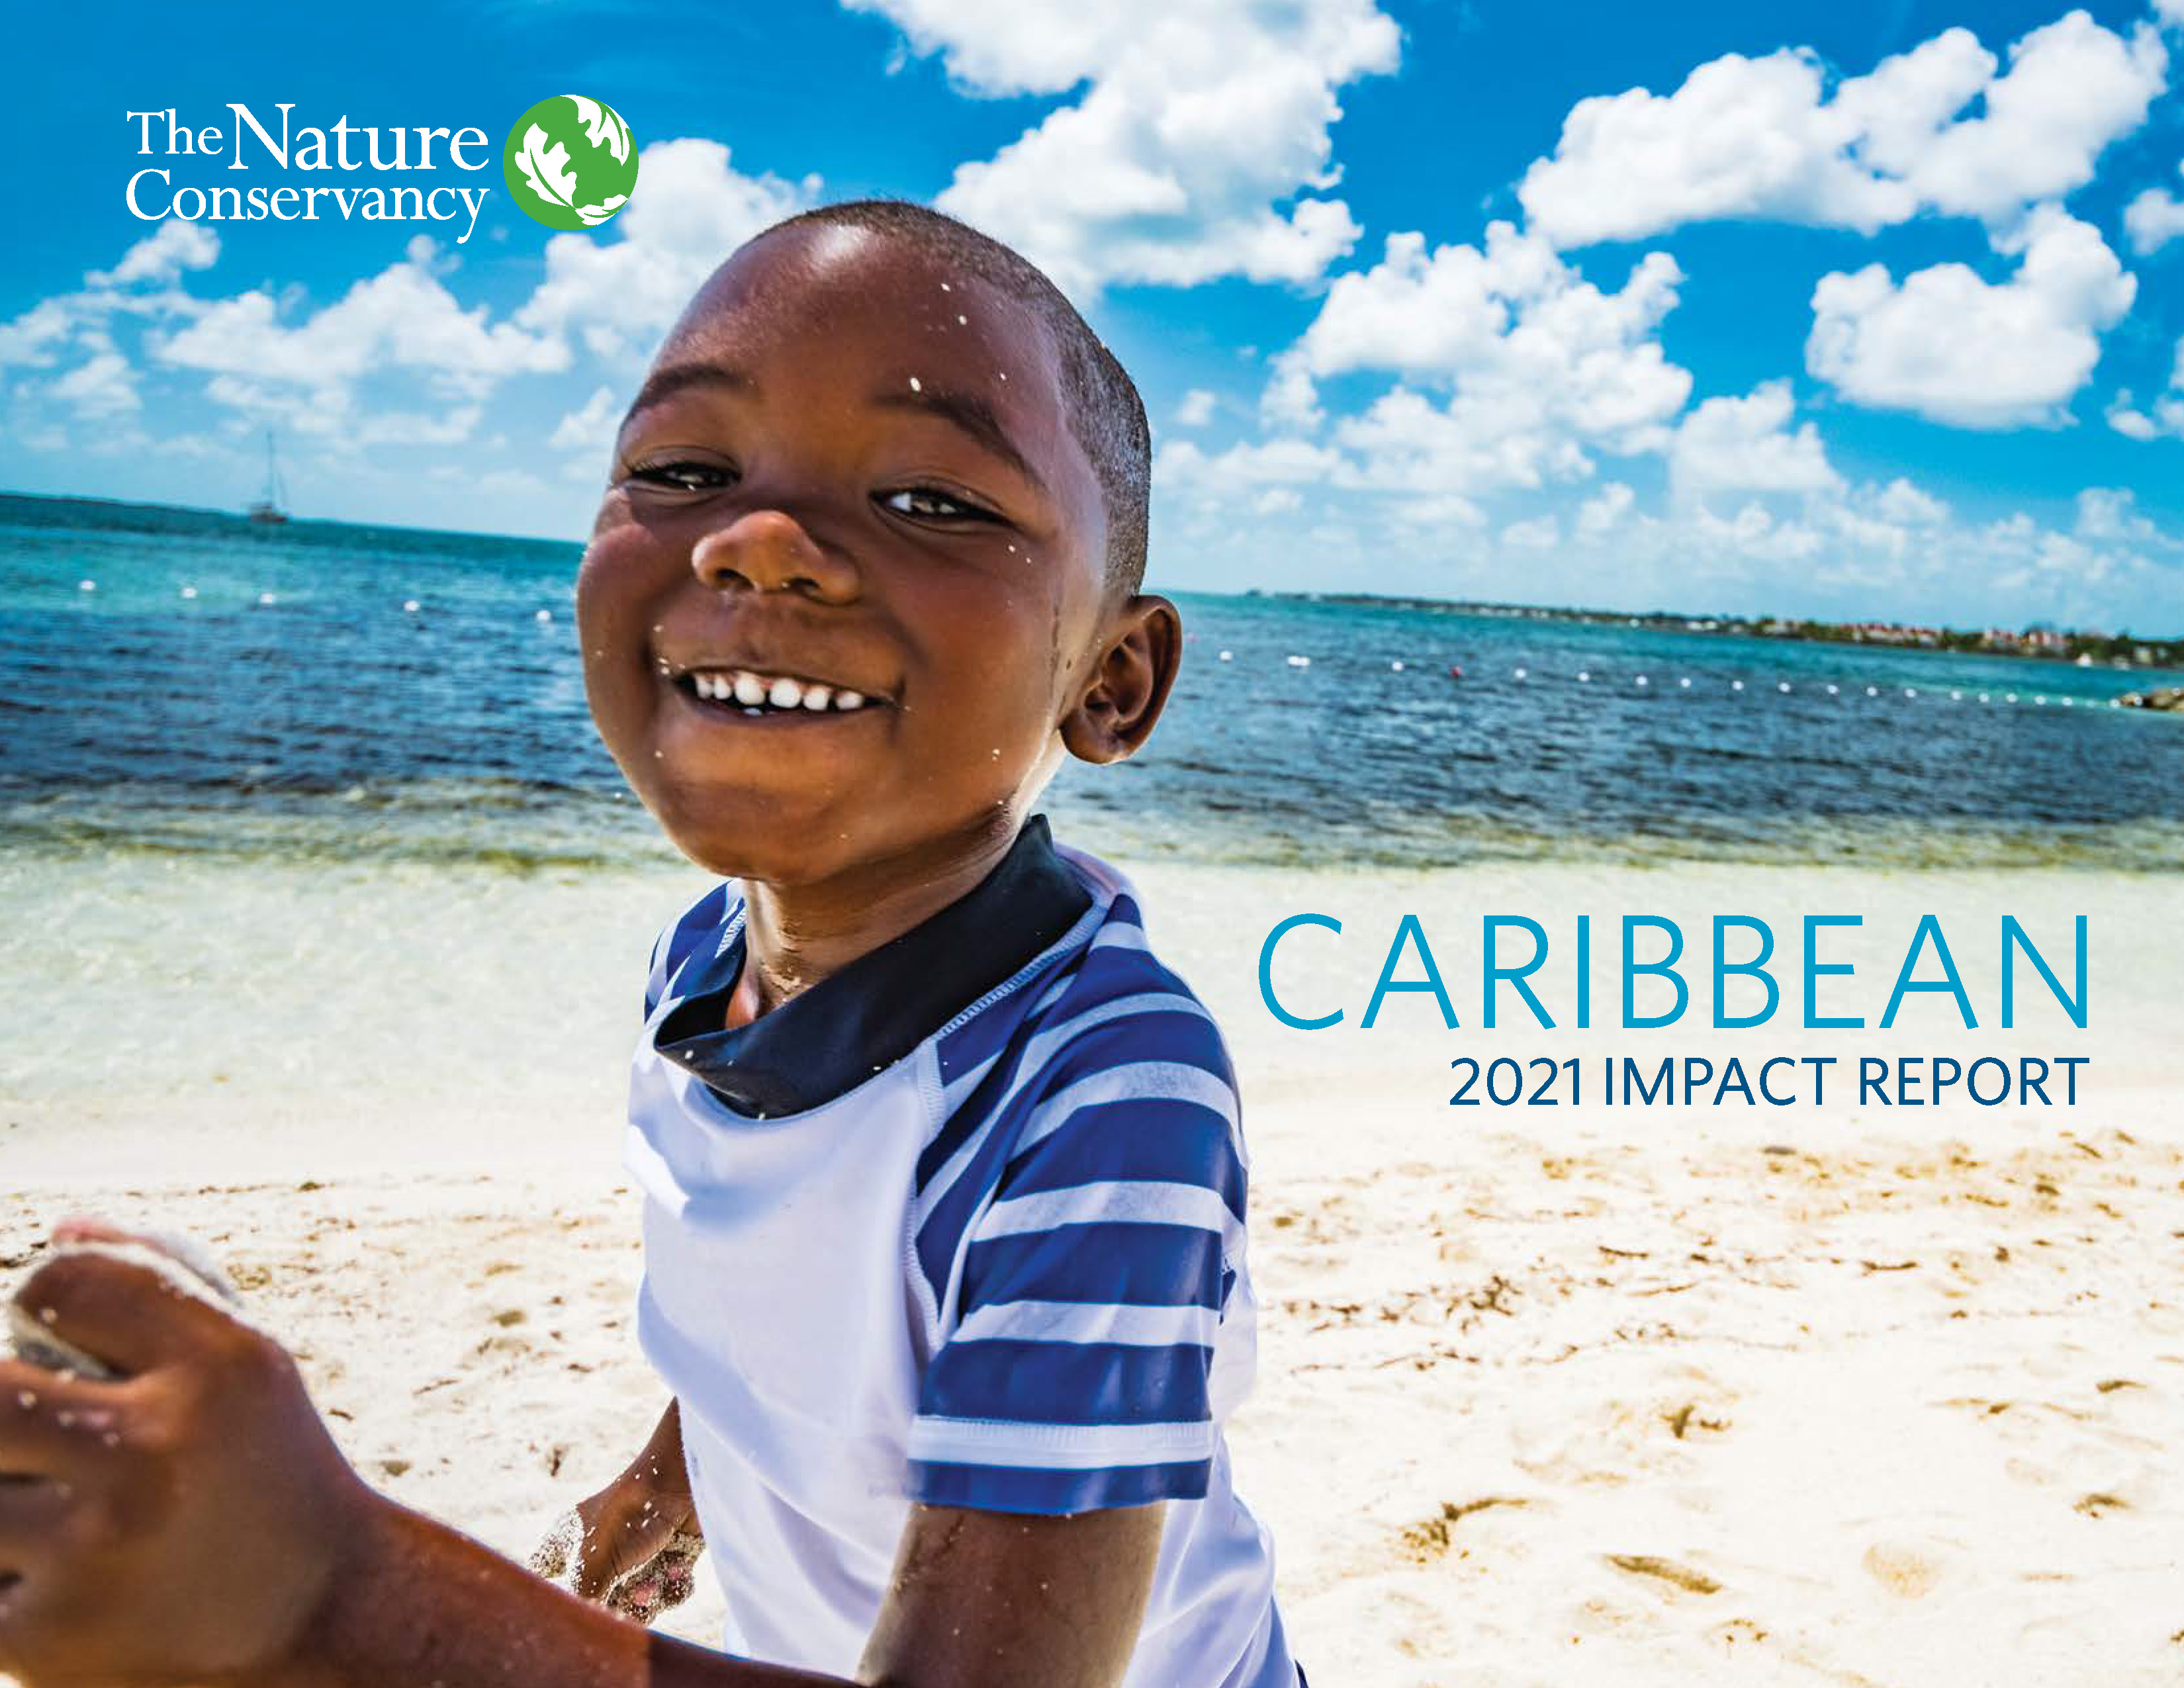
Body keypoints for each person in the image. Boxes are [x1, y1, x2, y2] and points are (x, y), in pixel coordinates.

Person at [0, 199, 1298, 1688]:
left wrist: (331, 1596)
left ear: (1113, 682)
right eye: (685, 471)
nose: (758, 546)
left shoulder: (1099, 1096)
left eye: (936, 500)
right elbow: (789, 1308)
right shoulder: (704, 964)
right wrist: (677, 1475)